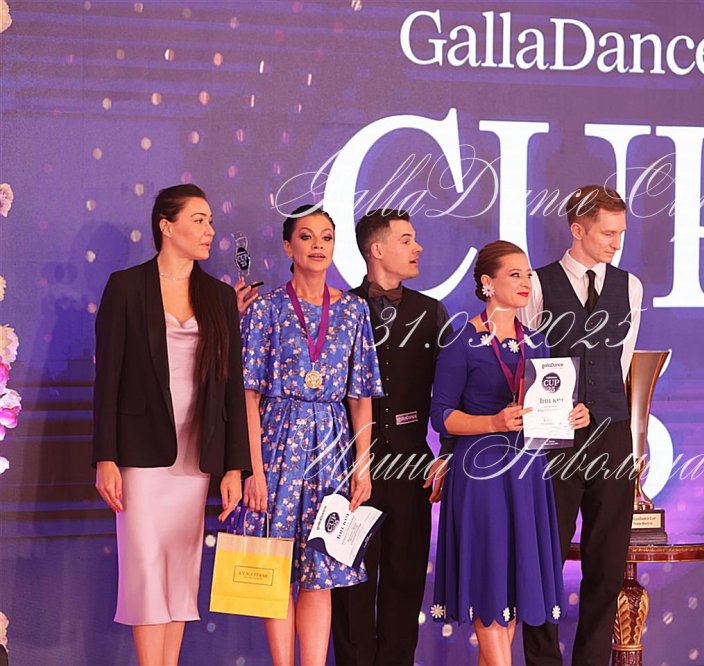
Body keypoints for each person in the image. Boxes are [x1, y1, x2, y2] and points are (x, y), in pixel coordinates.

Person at [92, 184, 250, 666]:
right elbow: (108, 378)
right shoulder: (126, 287)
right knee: (144, 567)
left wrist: (234, 467)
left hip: (196, 453)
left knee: (182, 570)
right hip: (140, 453)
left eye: (210, 221)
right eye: (198, 220)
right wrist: (105, 457)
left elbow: (231, 386)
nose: (209, 230)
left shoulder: (218, 296)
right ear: (166, 226)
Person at [230, 204, 383, 666]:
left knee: (321, 571)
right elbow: (248, 395)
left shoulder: (354, 310)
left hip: (332, 450)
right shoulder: (266, 309)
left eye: (326, 237)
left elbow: (361, 396)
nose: (318, 246)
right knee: (274, 566)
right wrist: (252, 470)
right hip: (276, 442)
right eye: (306, 236)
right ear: (287, 246)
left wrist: (362, 467)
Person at [430, 241, 590, 666]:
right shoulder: (462, 341)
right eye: (514, 274)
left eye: (528, 275)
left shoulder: (537, 342)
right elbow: (441, 416)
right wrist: (493, 422)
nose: (525, 283)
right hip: (480, 473)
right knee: (489, 581)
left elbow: (544, 408)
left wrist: (572, 414)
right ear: (488, 282)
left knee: (510, 590)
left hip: (528, 473)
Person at [520, 185, 643, 666]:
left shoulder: (630, 287)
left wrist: (599, 405)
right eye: (608, 233)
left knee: (607, 560)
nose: (617, 242)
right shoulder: (538, 284)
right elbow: (526, 360)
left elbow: (621, 361)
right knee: (545, 556)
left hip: (611, 435)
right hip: (554, 437)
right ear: (578, 230)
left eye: (621, 232)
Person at [331, 208, 453, 666]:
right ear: (376, 249)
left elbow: (451, 390)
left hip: (411, 469)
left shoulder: (431, 312)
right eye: (406, 240)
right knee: (350, 587)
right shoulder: (340, 309)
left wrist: (448, 453)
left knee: (405, 584)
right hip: (348, 471)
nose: (417, 247)